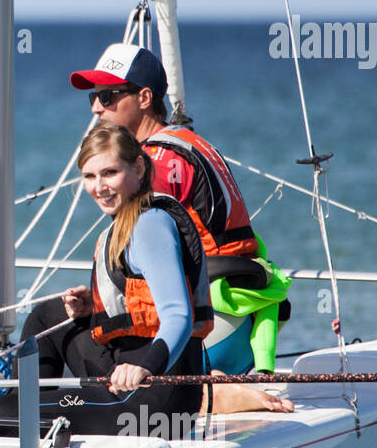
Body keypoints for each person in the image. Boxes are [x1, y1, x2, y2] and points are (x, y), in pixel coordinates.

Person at [22, 42, 291, 413]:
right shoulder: (189, 142)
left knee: (45, 319)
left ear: (145, 97)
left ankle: (209, 396)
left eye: (109, 95)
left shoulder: (155, 163)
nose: (97, 107)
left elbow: (161, 261)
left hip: (205, 333)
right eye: (94, 98)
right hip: (240, 321)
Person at [0, 125, 210, 436]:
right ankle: (36, 414)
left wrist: (146, 368)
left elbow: (179, 316)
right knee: (48, 315)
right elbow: (140, 300)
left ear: (139, 167)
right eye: (89, 176)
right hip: (122, 373)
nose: (99, 186)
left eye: (110, 172)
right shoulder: (128, 221)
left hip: (155, 403)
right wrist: (95, 307)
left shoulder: (150, 224)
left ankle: (31, 418)